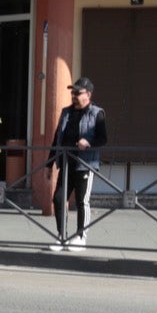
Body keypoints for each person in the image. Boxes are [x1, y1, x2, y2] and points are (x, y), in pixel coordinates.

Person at [47, 76, 109, 252]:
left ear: (88, 94)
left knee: (82, 201)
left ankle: (81, 237)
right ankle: (62, 236)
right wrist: (49, 164)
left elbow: (103, 139)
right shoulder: (66, 112)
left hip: (85, 163)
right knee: (59, 199)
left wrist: (88, 143)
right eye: (72, 92)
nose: (73, 95)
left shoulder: (97, 113)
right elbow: (56, 139)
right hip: (66, 163)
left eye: (77, 92)